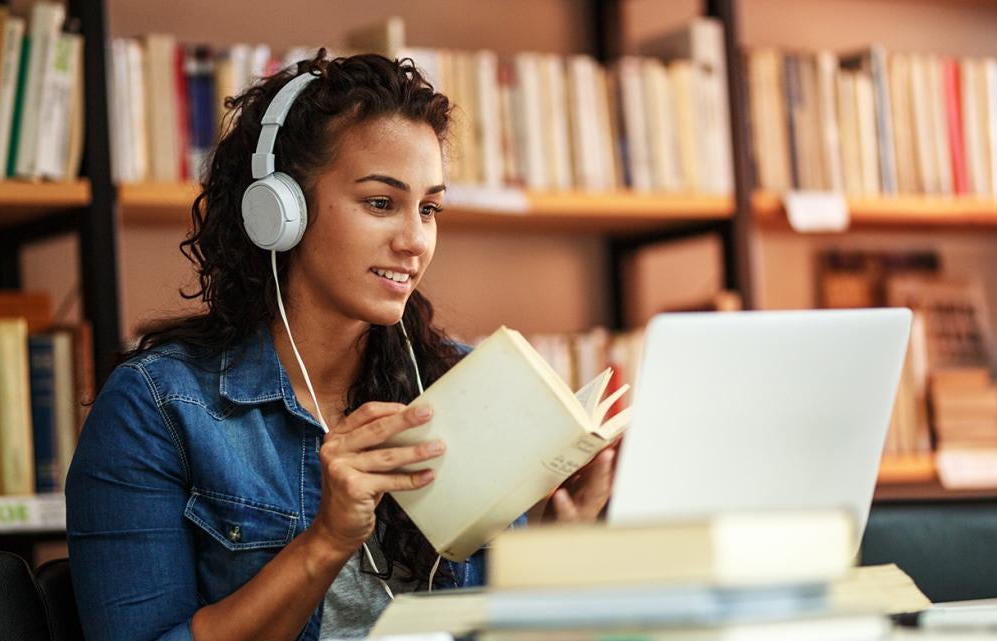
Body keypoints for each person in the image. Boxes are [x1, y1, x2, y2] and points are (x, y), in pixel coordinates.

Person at [65, 52, 616, 641]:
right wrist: (326, 539)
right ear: (280, 211)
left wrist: (554, 553)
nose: (415, 242)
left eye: (429, 208)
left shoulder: (455, 381)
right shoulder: (157, 408)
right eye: (381, 203)